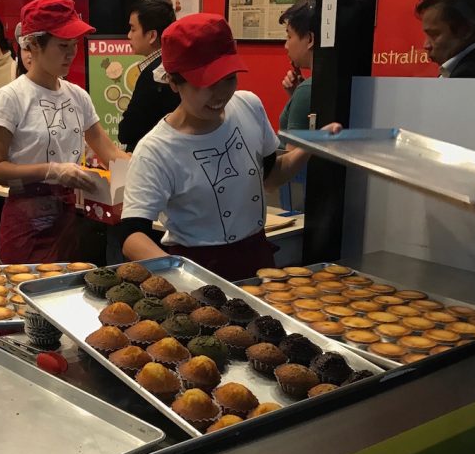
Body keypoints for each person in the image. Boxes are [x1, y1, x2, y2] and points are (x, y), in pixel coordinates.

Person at [118, 14, 340, 282]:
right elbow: (132, 236)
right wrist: (180, 275)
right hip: (196, 269)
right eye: (206, 84)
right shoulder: (157, 149)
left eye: (229, 78)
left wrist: (312, 146)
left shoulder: (248, 106)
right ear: (174, 82)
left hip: (257, 261)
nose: (221, 93)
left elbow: (271, 176)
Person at [0, 0, 128, 263]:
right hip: (25, 218)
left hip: (68, 217)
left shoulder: (77, 96)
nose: (71, 53)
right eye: (63, 46)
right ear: (34, 44)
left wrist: (149, 170)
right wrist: (52, 171)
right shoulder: (11, 97)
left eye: (74, 45)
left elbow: (108, 151)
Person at [119, 0, 181, 152]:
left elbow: (127, 131)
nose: (129, 35)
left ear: (152, 35)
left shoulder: (154, 75)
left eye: (133, 29)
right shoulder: (175, 64)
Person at [278, 0, 317, 211]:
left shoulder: (307, 90)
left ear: (309, 39)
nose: (286, 46)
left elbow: (292, 164)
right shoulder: (315, 86)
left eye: (289, 36)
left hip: (298, 204)